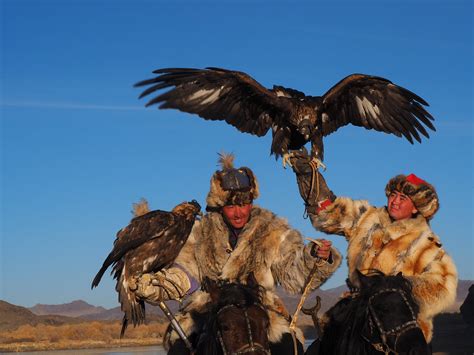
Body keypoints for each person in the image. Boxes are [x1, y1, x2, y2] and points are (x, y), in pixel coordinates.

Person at [136, 153, 342, 354]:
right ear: (220, 205)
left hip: (259, 309)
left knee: (288, 347)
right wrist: (156, 285)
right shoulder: (199, 232)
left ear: (251, 202)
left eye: (243, 205)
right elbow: (184, 273)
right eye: (231, 206)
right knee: (180, 349)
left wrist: (314, 256)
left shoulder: (273, 230)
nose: (238, 212)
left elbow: (293, 275)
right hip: (207, 309)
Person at [289, 149, 458, 343]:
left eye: (402, 199)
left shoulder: (427, 244)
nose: (394, 201)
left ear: (415, 207)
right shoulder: (367, 218)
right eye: (393, 195)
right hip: (355, 318)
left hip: (399, 329)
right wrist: (309, 176)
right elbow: (329, 212)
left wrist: (396, 289)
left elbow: (444, 287)